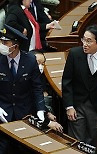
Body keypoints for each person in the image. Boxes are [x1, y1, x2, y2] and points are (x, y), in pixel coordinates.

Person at [0, 24, 61, 153]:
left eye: (6, 42)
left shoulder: (30, 60)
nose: (2, 44)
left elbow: (37, 88)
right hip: (3, 115)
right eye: (1, 41)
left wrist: (40, 110)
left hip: (25, 114)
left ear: (15, 45)